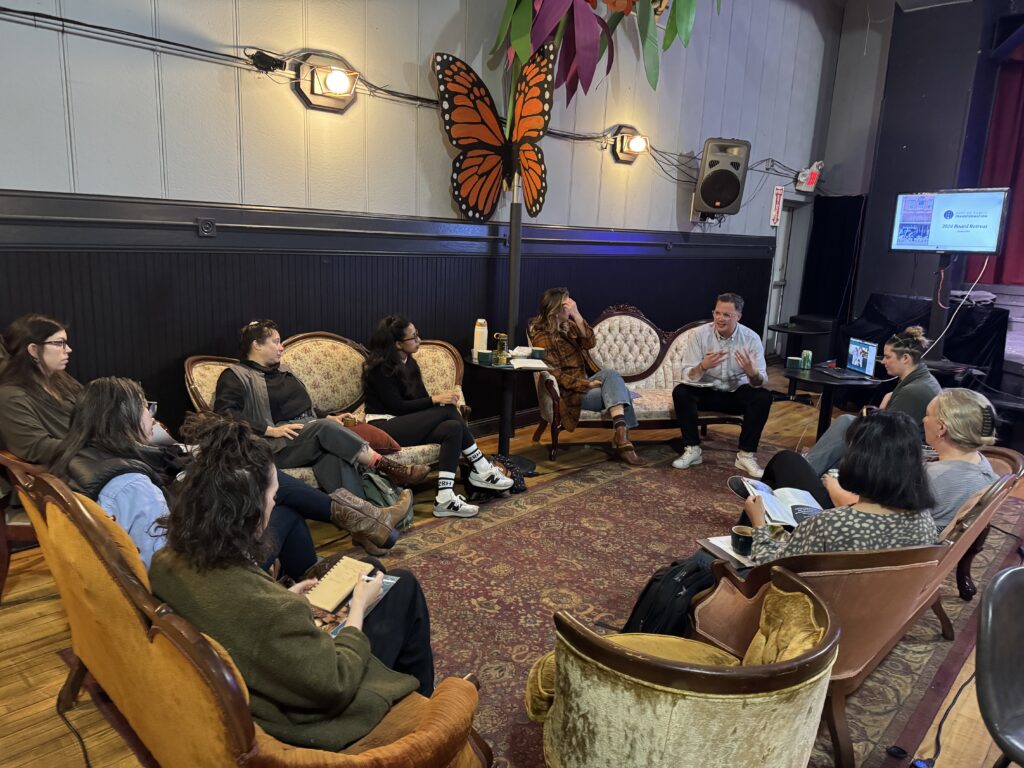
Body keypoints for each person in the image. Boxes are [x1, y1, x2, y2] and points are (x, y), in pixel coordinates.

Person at [149, 412, 435, 751]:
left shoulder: (167, 561)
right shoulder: (273, 611)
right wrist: (357, 609)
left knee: (370, 568)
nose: (274, 502)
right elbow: (336, 682)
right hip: (306, 717)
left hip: (260, 668)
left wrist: (288, 593)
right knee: (401, 586)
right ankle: (426, 721)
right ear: (249, 511)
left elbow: (246, 604)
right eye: (272, 496)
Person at [50, 377, 391, 576]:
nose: (150, 415)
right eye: (144, 408)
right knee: (277, 495)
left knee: (279, 499)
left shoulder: (83, 457)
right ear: (120, 417)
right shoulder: (130, 486)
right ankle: (360, 531)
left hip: (180, 553)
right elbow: (165, 565)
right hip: (205, 574)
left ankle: (319, 565)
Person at [213, 319, 425, 531]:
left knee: (333, 455)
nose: (281, 347)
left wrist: (330, 417)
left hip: (307, 435)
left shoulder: (284, 371)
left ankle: (366, 527)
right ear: (256, 345)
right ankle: (388, 467)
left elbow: (307, 407)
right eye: (276, 342)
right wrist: (269, 429)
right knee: (324, 429)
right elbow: (224, 415)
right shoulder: (235, 376)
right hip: (273, 445)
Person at [764, 389, 1000, 532]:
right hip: (912, 542)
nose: (922, 420)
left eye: (927, 415)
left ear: (941, 428)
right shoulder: (984, 466)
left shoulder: (929, 479)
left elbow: (865, 511)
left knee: (788, 461)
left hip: (859, 528)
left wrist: (831, 485)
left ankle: (760, 522)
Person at [363, 315, 513, 518]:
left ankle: (444, 498)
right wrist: (436, 400)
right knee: (447, 410)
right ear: (398, 344)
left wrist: (434, 402)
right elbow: (397, 407)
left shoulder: (409, 363)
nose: (419, 340)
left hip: (406, 424)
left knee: (453, 428)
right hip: (382, 427)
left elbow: (421, 401)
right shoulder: (381, 368)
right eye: (413, 337)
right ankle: (481, 466)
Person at [744, 410, 938, 564]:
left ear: (858, 459)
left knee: (714, 566)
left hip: (814, 607)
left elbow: (769, 566)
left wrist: (759, 525)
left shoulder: (828, 525)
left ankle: (744, 532)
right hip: (882, 608)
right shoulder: (924, 522)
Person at [527, 288, 645, 466]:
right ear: (556, 310)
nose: (571, 306)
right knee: (622, 394)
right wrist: (586, 385)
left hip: (583, 381)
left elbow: (590, 342)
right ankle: (623, 442)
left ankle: (620, 435)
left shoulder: (569, 327)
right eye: (568, 305)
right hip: (570, 392)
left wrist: (577, 315)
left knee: (611, 374)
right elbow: (555, 375)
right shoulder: (542, 337)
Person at [803, 326, 941, 475]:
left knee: (846, 424)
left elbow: (888, 435)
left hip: (899, 455)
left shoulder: (914, 391)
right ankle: (815, 465)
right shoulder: (919, 380)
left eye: (888, 357)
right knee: (847, 424)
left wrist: (879, 411)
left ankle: (807, 471)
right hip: (900, 446)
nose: (883, 362)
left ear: (906, 358)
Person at [671, 293, 773, 477]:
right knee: (681, 392)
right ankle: (693, 449)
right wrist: (702, 366)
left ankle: (745, 455)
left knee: (763, 397)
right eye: (717, 313)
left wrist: (752, 373)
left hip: (736, 393)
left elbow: (760, 381)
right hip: (707, 391)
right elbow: (687, 374)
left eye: (726, 315)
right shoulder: (700, 335)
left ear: (738, 317)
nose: (720, 318)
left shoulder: (751, 339)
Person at [0, 314, 82, 465]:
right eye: (59, 343)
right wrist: (95, 447)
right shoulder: (11, 396)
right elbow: (36, 447)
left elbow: (95, 408)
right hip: (73, 474)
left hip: (96, 463)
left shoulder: (62, 379)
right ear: (33, 350)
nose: (68, 349)